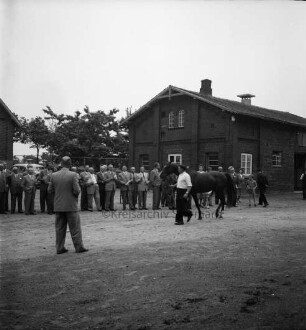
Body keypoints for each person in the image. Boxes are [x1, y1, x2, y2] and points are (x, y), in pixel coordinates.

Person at [48, 156, 88, 254]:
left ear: (61, 164)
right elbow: (77, 190)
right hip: (70, 205)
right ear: (70, 164)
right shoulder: (73, 174)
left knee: (60, 228)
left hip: (58, 205)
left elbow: (49, 190)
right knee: (75, 227)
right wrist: (73, 196)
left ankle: (59, 248)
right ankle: (78, 247)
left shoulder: (54, 175)